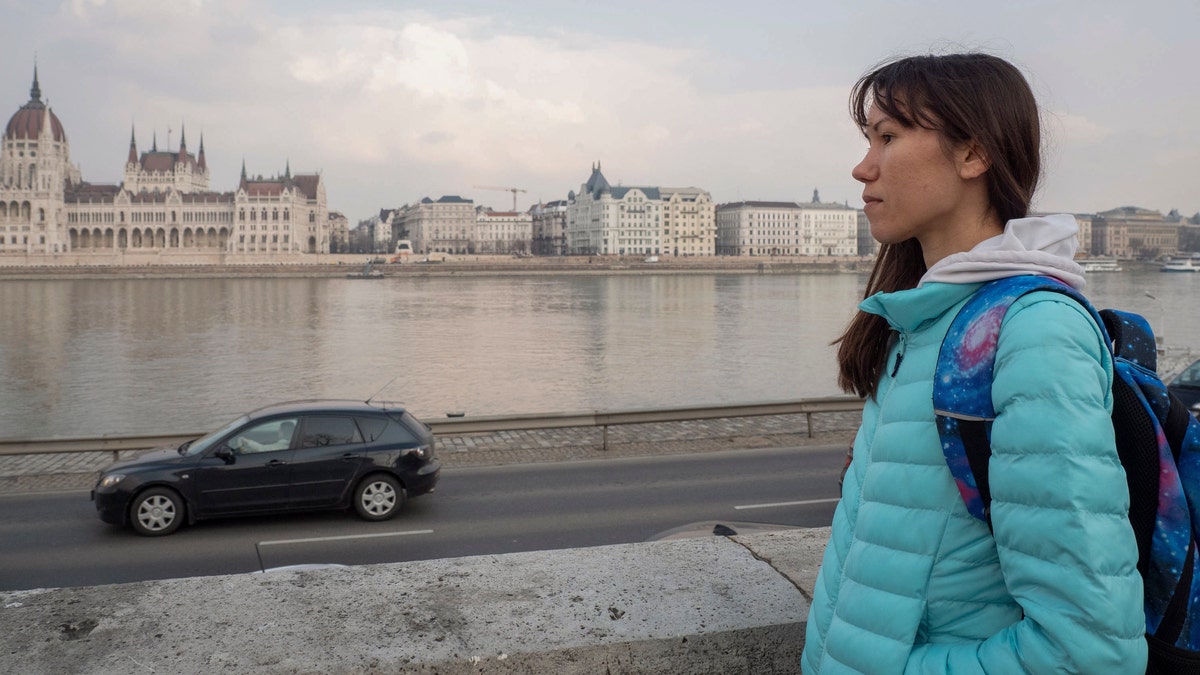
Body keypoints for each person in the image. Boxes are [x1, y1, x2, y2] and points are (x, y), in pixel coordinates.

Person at [801, 53, 1146, 673]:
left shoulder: (1033, 332)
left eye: (888, 137)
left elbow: (1089, 652)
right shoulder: (921, 321)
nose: (862, 166)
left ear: (971, 155)